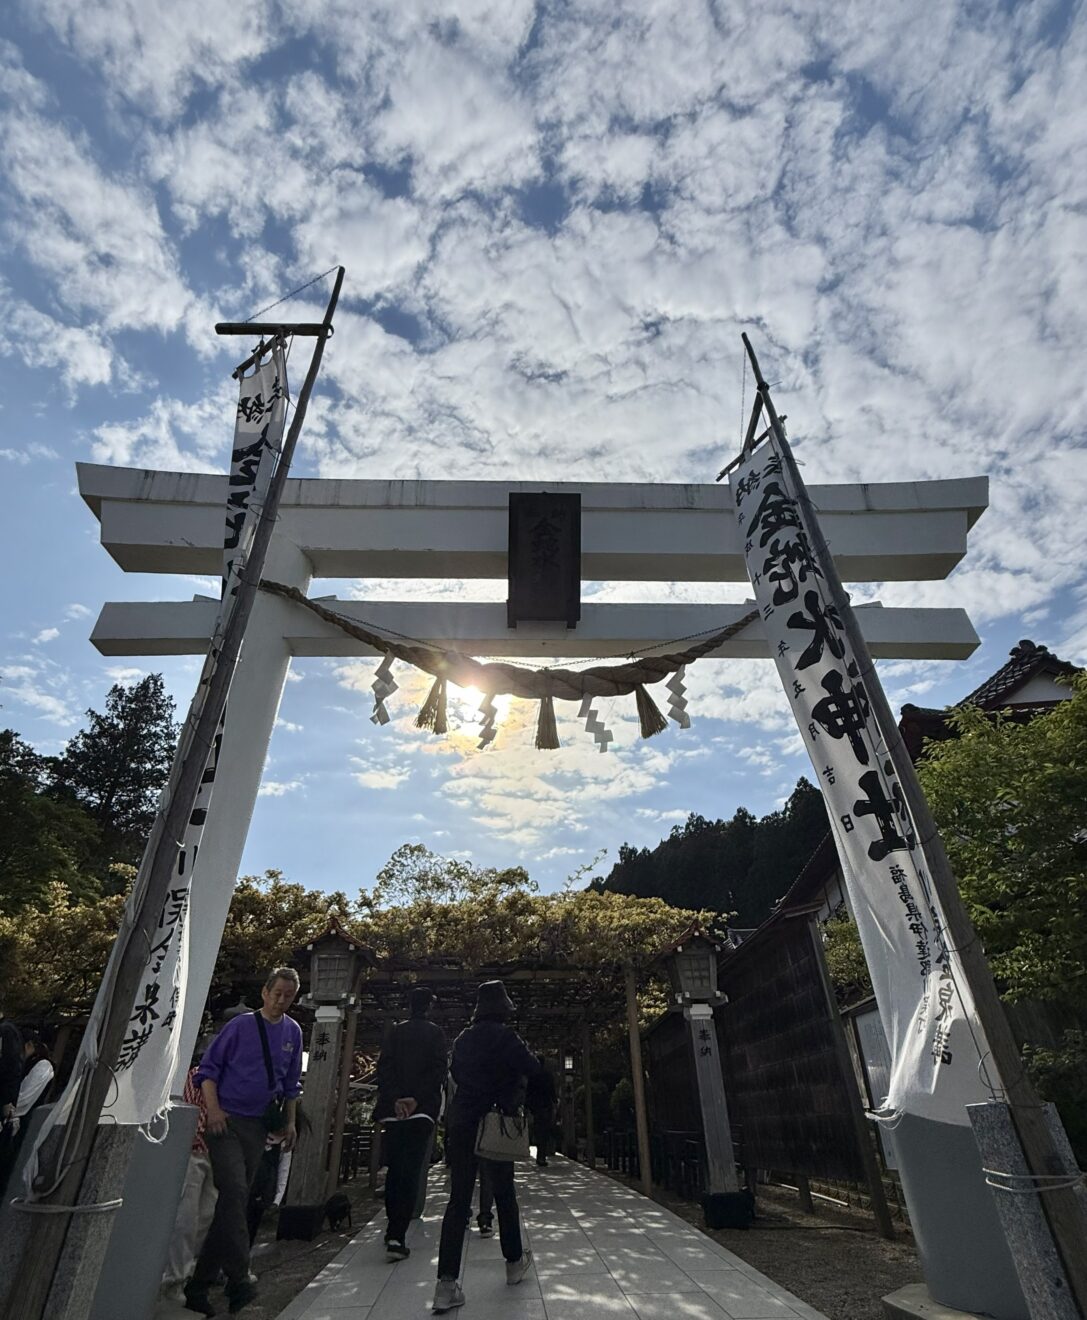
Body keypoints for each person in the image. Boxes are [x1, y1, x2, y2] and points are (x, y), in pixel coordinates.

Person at [185, 968, 303, 1317]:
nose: (281, 1000)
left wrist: (291, 1123)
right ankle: (240, 1277)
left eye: (288, 995)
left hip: (257, 1126)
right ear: (265, 992)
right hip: (226, 1122)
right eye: (277, 992)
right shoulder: (239, 1026)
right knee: (234, 1190)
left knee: (232, 1205)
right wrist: (215, 1110)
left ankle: (198, 1286)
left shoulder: (293, 1032)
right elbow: (208, 1071)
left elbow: (292, 1083)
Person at [432, 980, 539, 1314]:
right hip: (494, 1124)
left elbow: (457, 1074)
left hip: (463, 1123)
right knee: (504, 1193)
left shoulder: (463, 1039)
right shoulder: (507, 1038)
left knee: (458, 1201)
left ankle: (445, 1284)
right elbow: (532, 1068)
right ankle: (512, 1264)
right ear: (503, 1008)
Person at [374, 986, 448, 1261]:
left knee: (395, 1170)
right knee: (411, 1172)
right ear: (428, 1006)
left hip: (395, 1113)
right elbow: (438, 1071)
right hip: (420, 1113)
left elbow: (385, 1068)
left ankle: (392, 1227)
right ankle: (397, 1235)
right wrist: (416, 1100)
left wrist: (396, 1099)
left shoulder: (395, 1032)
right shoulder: (436, 1034)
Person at [162, 1037, 218, 1304]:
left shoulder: (233, 1081)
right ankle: (173, 1279)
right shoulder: (195, 1076)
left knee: (206, 1214)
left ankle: (186, 1271)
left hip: (216, 1155)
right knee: (187, 1217)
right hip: (195, 1151)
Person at [0, 1030, 53, 1198]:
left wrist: (8, 1103)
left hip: (18, 1122)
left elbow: (23, 1099)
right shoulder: (22, 1062)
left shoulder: (43, 1065)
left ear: (30, 1045)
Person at [526, 1055, 557, 1167]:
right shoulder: (548, 1075)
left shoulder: (532, 1075)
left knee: (537, 1130)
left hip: (534, 1106)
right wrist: (554, 1102)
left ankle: (539, 1153)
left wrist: (526, 1105)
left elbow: (528, 1091)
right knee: (543, 1131)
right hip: (545, 1106)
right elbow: (552, 1091)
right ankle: (542, 1155)